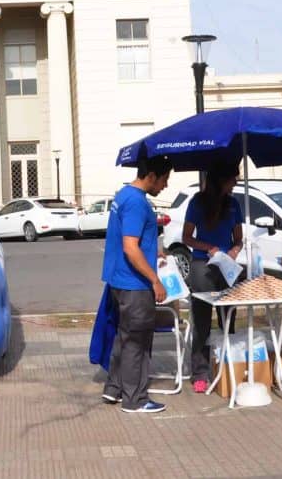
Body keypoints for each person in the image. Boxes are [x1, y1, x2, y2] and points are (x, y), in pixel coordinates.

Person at [100, 155, 172, 413]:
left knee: (124, 337)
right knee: (137, 343)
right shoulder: (136, 203)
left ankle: (115, 388)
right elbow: (130, 247)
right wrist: (154, 280)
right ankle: (136, 399)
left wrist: (154, 253)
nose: (164, 186)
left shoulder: (123, 195)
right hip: (135, 285)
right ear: (151, 175)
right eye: (164, 180)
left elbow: (133, 241)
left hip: (120, 280)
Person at [182, 163, 245, 394]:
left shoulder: (234, 204)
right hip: (203, 265)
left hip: (228, 267)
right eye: (233, 179)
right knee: (201, 321)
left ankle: (227, 366)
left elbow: (238, 238)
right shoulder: (197, 202)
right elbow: (187, 237)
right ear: (220, 179)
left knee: (229, 317)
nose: (236, 183)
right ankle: (199, 372)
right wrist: (209, 247)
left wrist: (234, 250)